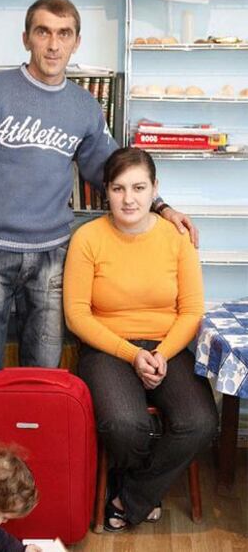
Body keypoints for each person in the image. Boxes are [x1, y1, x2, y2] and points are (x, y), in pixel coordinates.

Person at [0, 0, 197, 474]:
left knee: (43, 379)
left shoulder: (83, 106)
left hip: (53, 259)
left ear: (76, 41)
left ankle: (31, 482)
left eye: (63, 34)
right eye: (42, 32)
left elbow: (113, 170)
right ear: (26, 38)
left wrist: (161, 206)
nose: (53, 44)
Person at [63, 147, 218, 531]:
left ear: (155, 190)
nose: (128, 199)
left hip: (169, 346)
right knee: (124, 425)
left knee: (200, 422)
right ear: (106, 191)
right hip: (108, 347)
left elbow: (191, 310)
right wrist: (132, 355)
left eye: (138, 187)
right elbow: (76, 315)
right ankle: (143, 494)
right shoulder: (87, 238)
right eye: (118, 189)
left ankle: (128, 494)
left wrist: (162, 353)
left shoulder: (177, 237)